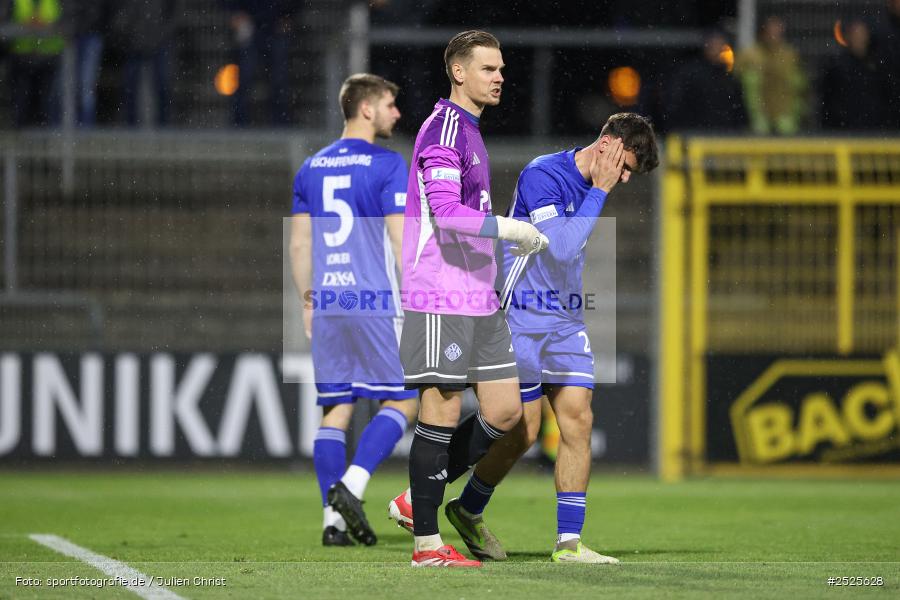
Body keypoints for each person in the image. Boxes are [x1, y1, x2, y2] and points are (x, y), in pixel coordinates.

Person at [390, 113, 659, 564]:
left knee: (579, 421)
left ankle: (568, 544)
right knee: (521, 429)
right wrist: (600, 191)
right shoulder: (543, 174)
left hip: (566, 321)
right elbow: (562, 247)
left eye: (630, 173)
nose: (624, 177)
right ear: (606, 143)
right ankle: (457, 505)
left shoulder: (595, 185)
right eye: (625, 165)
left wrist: (600, 191)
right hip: (520, 315)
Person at [391, 30, 549, 568]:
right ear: (458, 72)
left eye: (502, 68)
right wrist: (509, 229)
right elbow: (448, 214)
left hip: (479, 297)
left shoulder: (473, 131)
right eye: (488, 68)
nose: (500, 76)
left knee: (508, 412)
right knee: (442, 409)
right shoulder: (446, 127)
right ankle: (427, 546)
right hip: (440, 290)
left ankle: (418, 498)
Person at [289, 74, 418, 547]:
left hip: (328, 303)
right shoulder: (386, 164)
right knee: (404, 400)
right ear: (367, 109)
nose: (396, 114)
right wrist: (417, 297)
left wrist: (307, 300)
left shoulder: (310, 167)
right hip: (374, 302)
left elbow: (300, 243)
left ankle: (332, 522)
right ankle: (353, 487)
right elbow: (400, 239)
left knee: (336, 409)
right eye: (390, 104)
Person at [222, 0, 294, 126]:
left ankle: (280, 122)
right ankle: (239, 122)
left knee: (279, 78)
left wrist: (289, 14)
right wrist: (234, 11)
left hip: (275, 25)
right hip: (248, 25)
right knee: (244, 77)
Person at [734, 15, 807, 135]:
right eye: (770, 31)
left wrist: (796, 111)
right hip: (758, 114)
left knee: (786, 146)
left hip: (785, 111)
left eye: (777, 31)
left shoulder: (790, 54)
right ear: (763, 32)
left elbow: (799, 84)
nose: (774, 36)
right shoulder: (749, 54)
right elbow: (737, 78)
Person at [110, 0, 175, 126]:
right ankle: (132, 128)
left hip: (160, 39)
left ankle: (164, 128)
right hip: (134, 39)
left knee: (163, 86)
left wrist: (163, 32)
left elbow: (175, 11)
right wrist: (126, 30)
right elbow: (121, 9)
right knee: (131, 87)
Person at [667, 29, 745, 132]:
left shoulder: (729, 77)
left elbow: (738, 110)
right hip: (695, 136)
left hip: (724, 136)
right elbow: (676, 105)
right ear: (706, 46)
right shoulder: (690, 73)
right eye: (713, 44)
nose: (716, 48)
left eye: (720, 44)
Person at [821, 18, 892, 130]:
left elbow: (885, 97)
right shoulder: (837, 66)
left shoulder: (877, 66)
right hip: (846, 132)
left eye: (862, 35)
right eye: (856, 35)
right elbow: (830, 102)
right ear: (849, 37)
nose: (860, 39)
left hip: (873, 131)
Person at [6, 0, 65, 127]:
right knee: (21, 102)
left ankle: (51, 138)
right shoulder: (17, 2)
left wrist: (47, 26)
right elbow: (6, 20)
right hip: (22, 57)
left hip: (50, 57)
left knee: (49, 103)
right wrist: (25, 26)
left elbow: (70, 20)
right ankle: (18, 134)